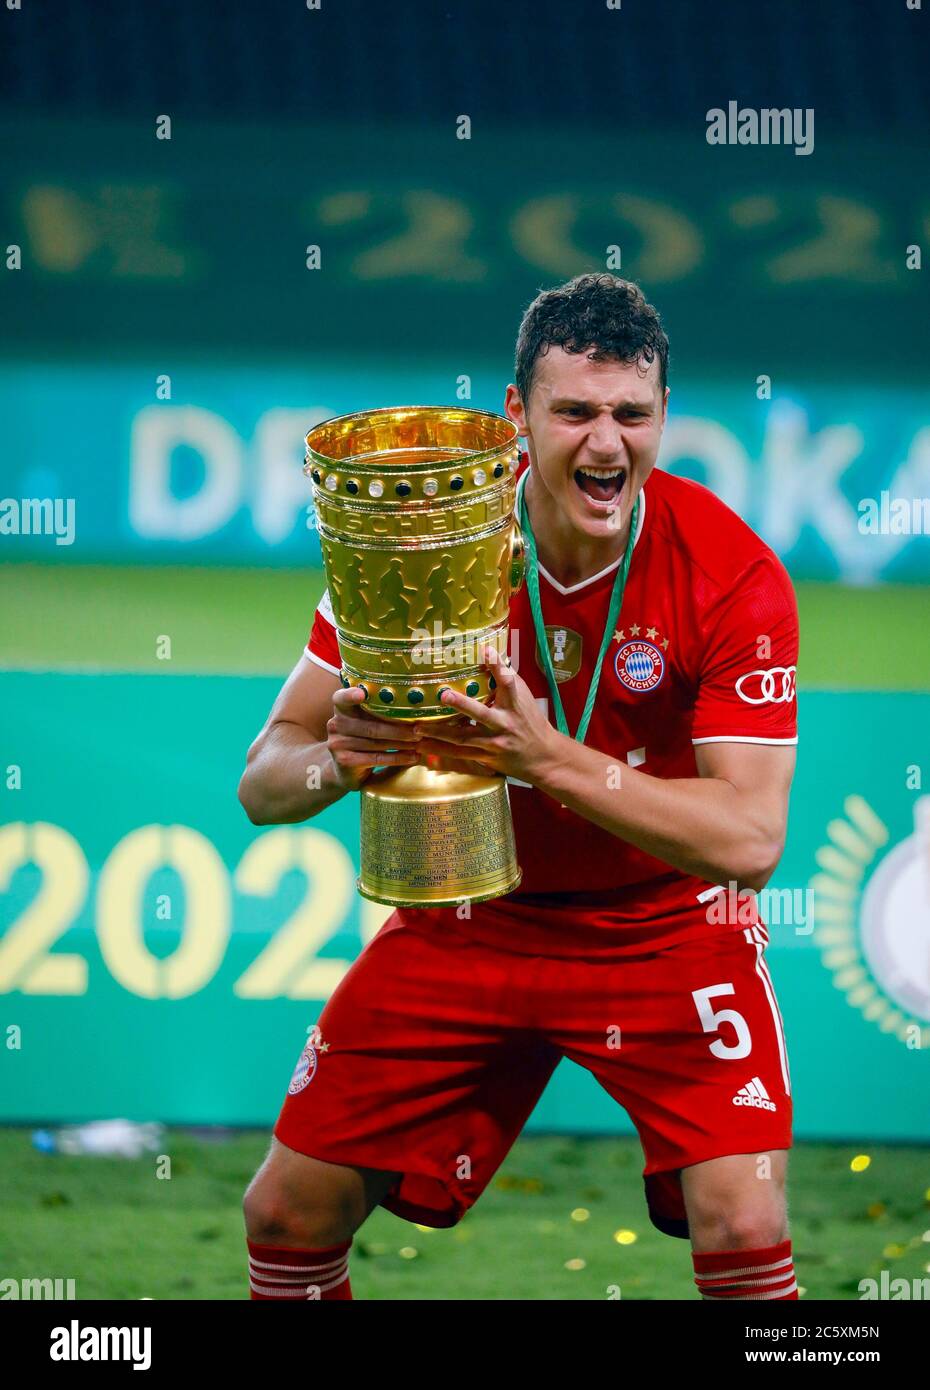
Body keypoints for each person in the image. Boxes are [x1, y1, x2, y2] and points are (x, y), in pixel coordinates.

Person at [238, 273, 799, 1301]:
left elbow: (753, 839)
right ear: (515, 416)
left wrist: (548, 760)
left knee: (747, 1218)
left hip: (665, 927)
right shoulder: (423, 548)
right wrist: (343, 757)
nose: (605, 443)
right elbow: (266, 783)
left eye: (632, 414)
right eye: (574, 411)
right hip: (471, 914)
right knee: (283, 1213)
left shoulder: (730, 573)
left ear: (664, 416)